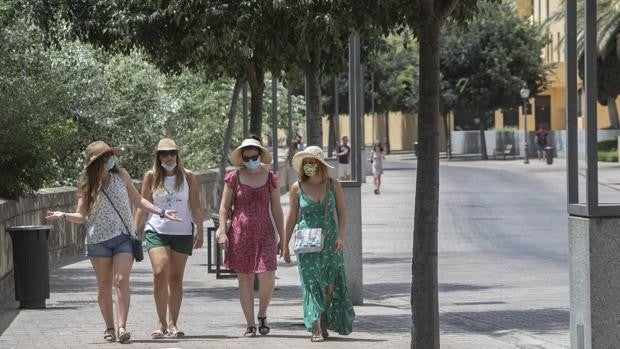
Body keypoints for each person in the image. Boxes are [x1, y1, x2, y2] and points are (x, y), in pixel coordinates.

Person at [45, 141, 181, 344]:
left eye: (110, 156)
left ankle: (122, 327)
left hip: (123, 237)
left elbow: (138, 201)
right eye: (106, 157)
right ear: (97, 162)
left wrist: (161, 211)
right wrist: (63, 214)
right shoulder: (86, 185)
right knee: (104, 286)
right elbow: (81, 216)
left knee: (120, 280)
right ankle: (109, 327)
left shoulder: (121, 176)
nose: (111, 160)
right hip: (98, 240)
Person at [283, 145, 355, 342]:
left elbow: (341, 213)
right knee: (312, 283)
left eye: (312, 162)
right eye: (306, 163)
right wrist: (284, 243)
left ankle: (323, 318)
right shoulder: (297, 187)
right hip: (307, 242)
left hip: (331, 242)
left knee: (330, 286)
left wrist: (341, 236)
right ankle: (315, 325)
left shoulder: (333, 184)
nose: (309, 166)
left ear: (320, 165)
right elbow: (291, 218)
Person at [133, 138, 204, 339]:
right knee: (159, 271)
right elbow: (142, 204)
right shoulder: (151, 176)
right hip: (156, 229)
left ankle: (173, 323)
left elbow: (196, 206)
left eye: (172, 153)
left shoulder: (188, 177)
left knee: (175, 279)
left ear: (177, 155)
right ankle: (160, 322)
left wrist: (199, 230)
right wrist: (133, 231)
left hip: (182, 232)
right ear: (158, 156)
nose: (169, 157)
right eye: (164, 153)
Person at [217, 138, 285, 337]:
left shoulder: (271, 177)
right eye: (247, 158)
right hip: (240, 233)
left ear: (260, 155)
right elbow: (223, 207)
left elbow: (277, 209)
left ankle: (262, 313)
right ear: (242, 158)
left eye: (254, 157)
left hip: (265, 232)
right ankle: (250, 323)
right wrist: (222, 232)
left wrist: (283, 237)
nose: (251, 160)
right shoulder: (234, 177)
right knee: (244, 278)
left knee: (268, 274)